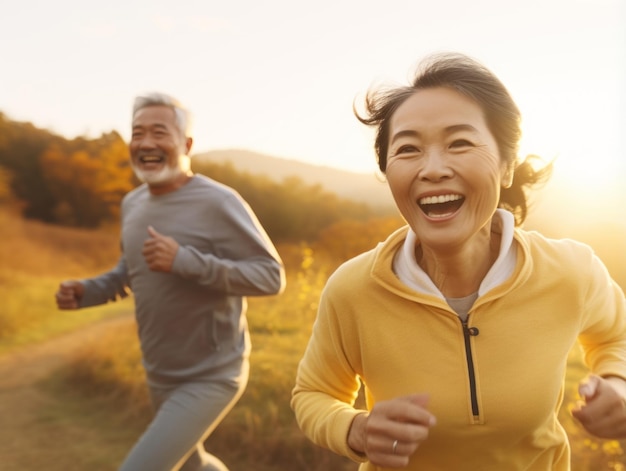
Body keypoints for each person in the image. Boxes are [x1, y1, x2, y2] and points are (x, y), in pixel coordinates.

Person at [290, 52, 626, 470]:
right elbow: (313, 394)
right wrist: (355, 429)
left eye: (460, 143)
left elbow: (616, 338)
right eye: (408, 148)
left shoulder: (571, 270)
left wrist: (618, 384)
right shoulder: (353, 288)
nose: (433, 169)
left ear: (506, 167)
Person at [55, 92, 285, 471]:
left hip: (213, 374)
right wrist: (88, 291)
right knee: (195, 465)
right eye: (138, 132)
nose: (146, 143)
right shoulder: (132, 204)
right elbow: (128, 272)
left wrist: (186, 261)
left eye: (159, 132)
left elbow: (271, 276)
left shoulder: (218, 202)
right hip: (159, 372)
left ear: (186, 144)